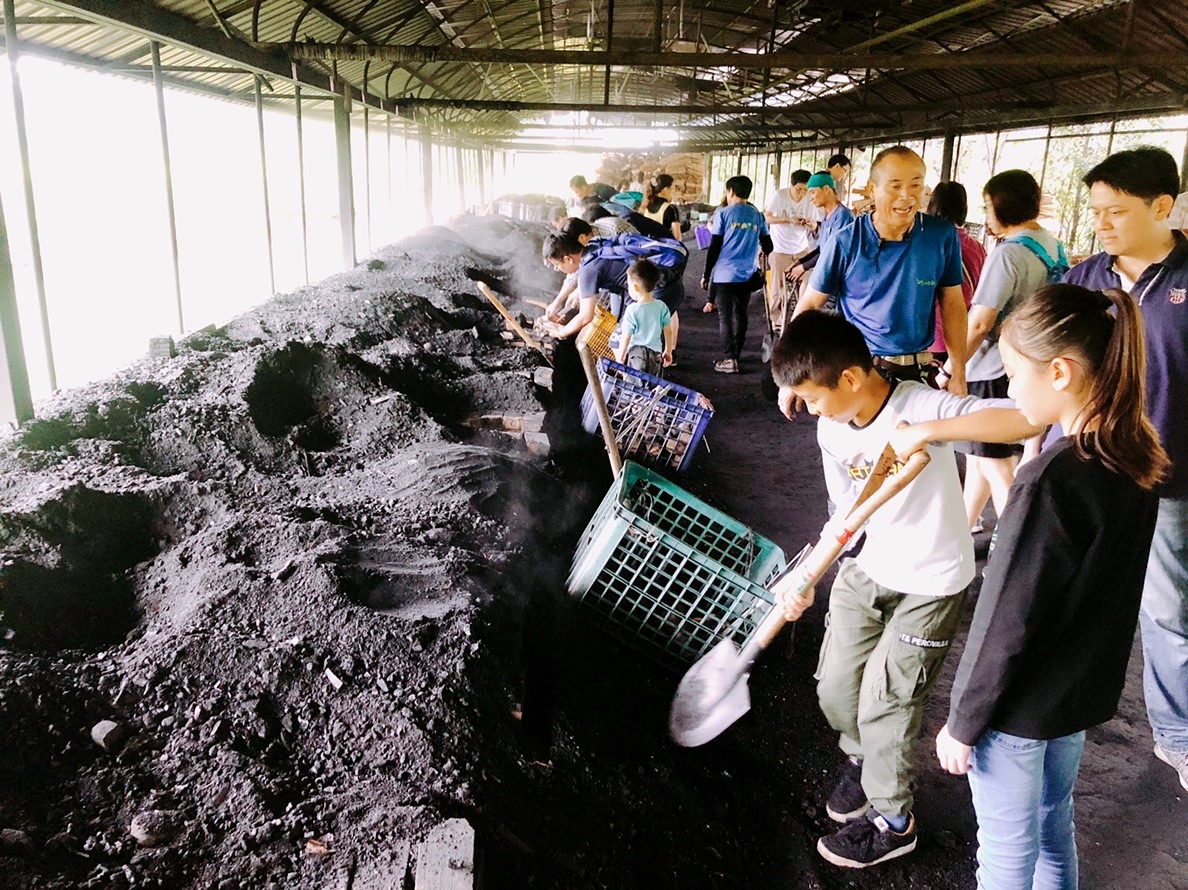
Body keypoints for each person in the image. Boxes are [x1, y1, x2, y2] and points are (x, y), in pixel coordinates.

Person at [889, 284, 1168, 889]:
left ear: (1061, 372)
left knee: (1005, 860)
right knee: (1052, 828)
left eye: (1013, 374)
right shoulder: (1133, 451)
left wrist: (963, 721)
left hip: (1017, 708)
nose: (1010, 390)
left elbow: (1005, 617)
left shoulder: (1052, 480)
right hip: (1075, 695)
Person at [772, 309, 1037, 869]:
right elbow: (845, 511)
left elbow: (1024, 420)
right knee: (837, 691)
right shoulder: (830, 426)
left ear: (848, 378)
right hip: (869, 566)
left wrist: (928, 433)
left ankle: (894, 821)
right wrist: (806, 577)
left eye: (812, 398)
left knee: (887, 703)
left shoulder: (919, 404)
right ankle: (866, 762)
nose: (809, 410)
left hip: (932, 580)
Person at [1061, 146, 1188, 792]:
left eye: (1115, 212)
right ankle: (1066, 715)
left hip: (1170, 478)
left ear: (1163, 208)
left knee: (1167, 610)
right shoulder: (1085, 278)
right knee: (1077, 595)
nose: (1102, 225)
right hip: (1088, 470)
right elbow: (1056, 369)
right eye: (1097, 213)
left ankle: (1177, 736)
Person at [795, 145, 968, 395]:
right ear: (872, 190)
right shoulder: (846, 241)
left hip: (917, 374)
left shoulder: (941, 236)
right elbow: (810, 305)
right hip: (860, 372)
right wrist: (794, 375)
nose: (907, 196)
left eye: (916, 185)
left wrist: (958, 373)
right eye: (895, 186)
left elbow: (952, 303)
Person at [949, 170, 1060, 536]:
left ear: (1002, 205)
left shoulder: (1009, 253)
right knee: (983, 459)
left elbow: (979, 323)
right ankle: (962, 533)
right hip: (1027, 363)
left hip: (990, 367)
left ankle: (1016, 541)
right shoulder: (1051, 246)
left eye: (987, 204)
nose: (986, 212)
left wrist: (953, 366)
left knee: (996, 466)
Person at [541, 230, 687, 341]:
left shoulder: (588, 270)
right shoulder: (596, 246)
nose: (558, 270)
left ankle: (643, 376)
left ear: (568, 259)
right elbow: (617, 307)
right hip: (667, 284)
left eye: (556, 265)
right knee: (621, 334)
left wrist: (561, 332)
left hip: (661, 292)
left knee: (633, 342)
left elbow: (585, 316)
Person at [701, 175, 774, 374]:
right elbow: (769, 246)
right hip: (747, 275)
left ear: (731, 191)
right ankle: (738, 355)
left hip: (724, 275)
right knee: (741, 313)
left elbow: (714, 247)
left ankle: (729, 358)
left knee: (725, 317)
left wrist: (706, 274)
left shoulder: (723, 214)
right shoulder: (757, 215)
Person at [924, 182, 986, 365]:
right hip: (960, 340)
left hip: (928, 340)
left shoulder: (924, 244)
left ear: (932, 205)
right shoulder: (978, 249)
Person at [783, 172, 856, 318]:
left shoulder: (843, 217)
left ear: (827, 189)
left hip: (837, 281)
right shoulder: (827, 217)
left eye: (813, 192)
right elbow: (821, 248)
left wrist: (803, 267)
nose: (811, 198)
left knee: (823, 319)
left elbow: (832, 253)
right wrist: (800, 262)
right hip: (826, 274)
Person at [764, 169, 819, 323]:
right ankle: (777, 321)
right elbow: (767, 218)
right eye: (798, 189)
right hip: (779, 249)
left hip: (802, 250)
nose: (802, 193)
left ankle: (801, 316)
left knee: (810, 282)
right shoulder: (780, 196)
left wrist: (810, 224)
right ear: (791, 186)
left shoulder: (810, 198)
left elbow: (815, 224)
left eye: (805, 190)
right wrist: (788, 220)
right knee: (777, 288)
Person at [613, 259, 673, 377]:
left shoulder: (632, 309)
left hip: (637, 353)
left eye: (628, 284)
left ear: (635, 287)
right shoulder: (661, 306)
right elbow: (668, 331)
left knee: (634, 387)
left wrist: (620, 357)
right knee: (653, 386)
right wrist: (668, 350)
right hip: (656, 354)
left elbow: (626, 336)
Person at [641, 174, 683, 242]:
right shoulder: (670, 208)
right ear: (665, 189)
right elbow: (677, 237)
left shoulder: (646, 207)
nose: (673, 192)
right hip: (665, 249)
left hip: (649, 248)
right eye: (672, 188)